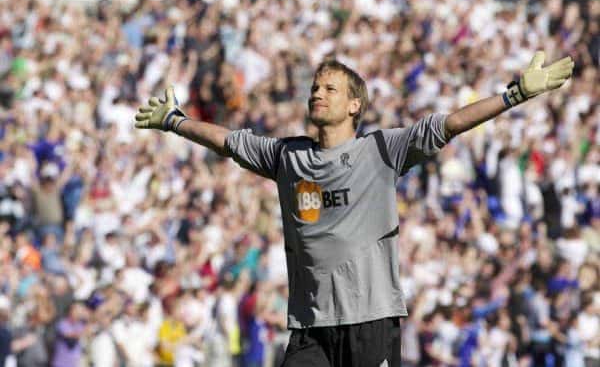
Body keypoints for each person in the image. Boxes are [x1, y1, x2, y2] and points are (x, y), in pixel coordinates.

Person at [134, 52, 574, 367]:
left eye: (330, 88)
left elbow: (450, 124)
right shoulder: (286, 156)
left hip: (371, 321)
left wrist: (514, 94)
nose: (317, 94)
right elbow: (228, 141)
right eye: (314, 88)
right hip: (310, 325)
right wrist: (174, 121)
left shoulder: (382, 149)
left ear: (354, 104)